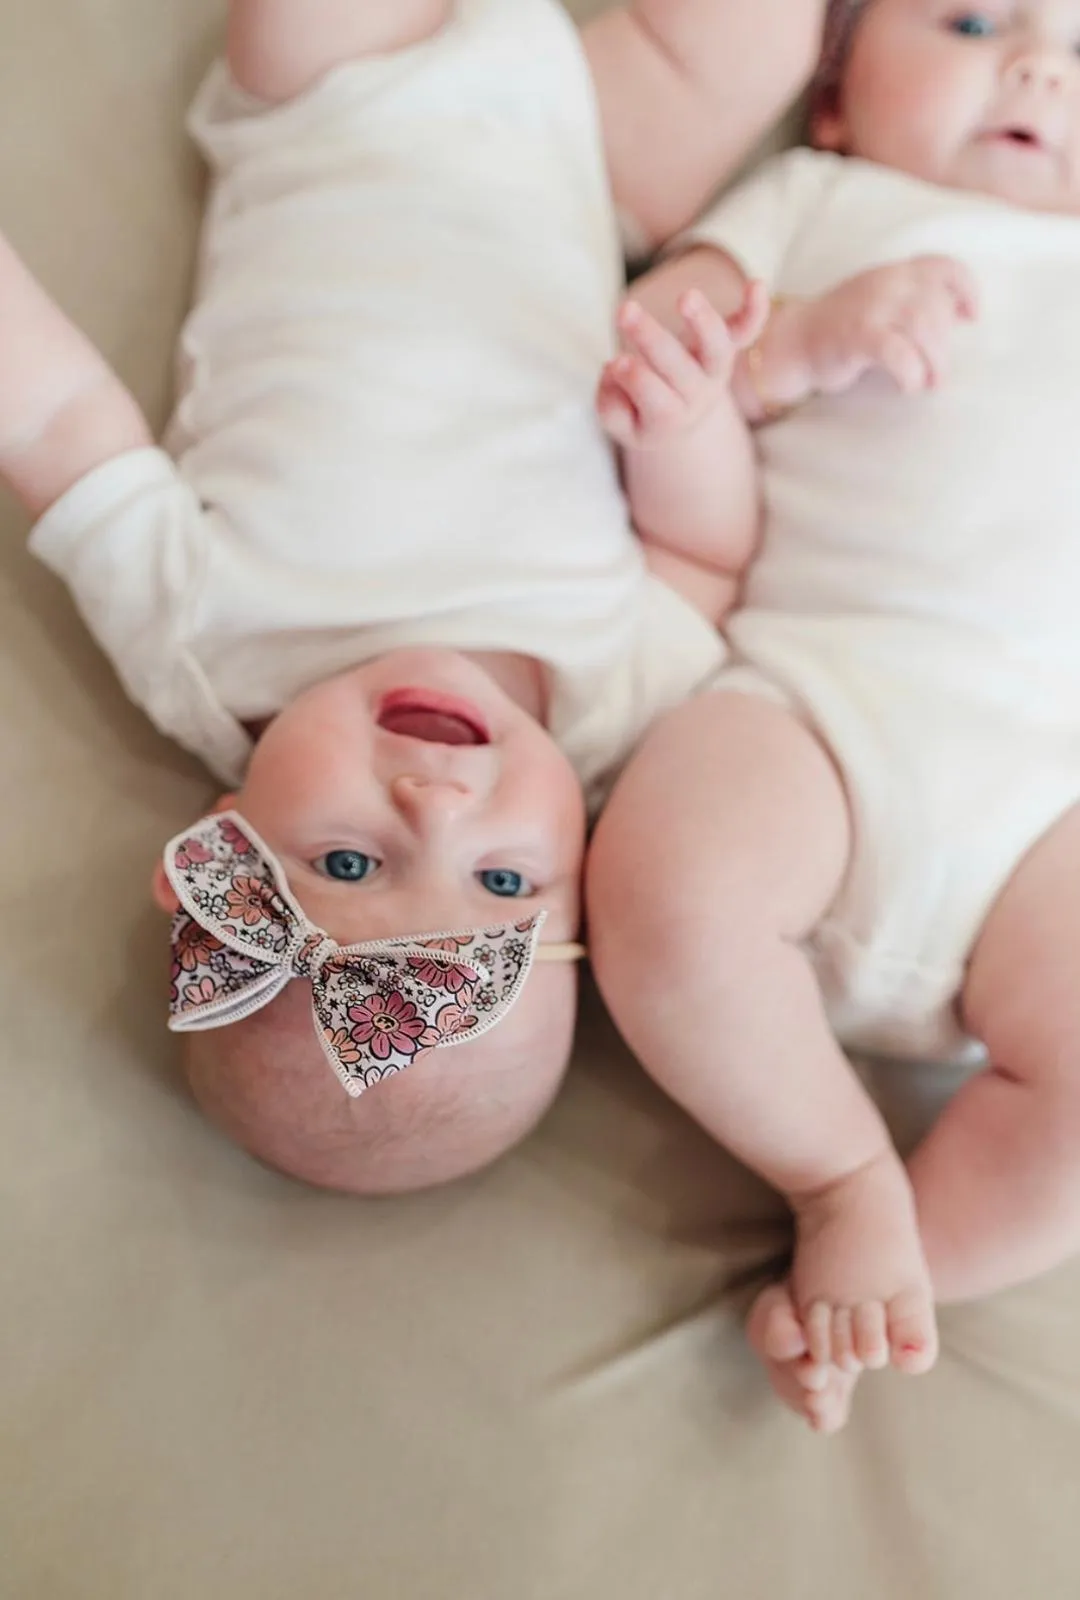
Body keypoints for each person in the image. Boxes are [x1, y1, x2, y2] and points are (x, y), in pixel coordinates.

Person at [0, 0, 825, 1193]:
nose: (435, 804)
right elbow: (707, 555)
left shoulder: (203, 648)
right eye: (502, 882)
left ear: (220, 842)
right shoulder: (617, 705)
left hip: (341, 105)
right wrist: (685, 429)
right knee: (759, 36)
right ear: (583, 872)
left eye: (344, 861)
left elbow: (58, 424)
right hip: (586, 173)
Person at [589, 0, 1080, 1432]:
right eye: (975, 18)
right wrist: (798, 343)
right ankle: (843, 1179)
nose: (1041, 65)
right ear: (832, 95)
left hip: (1045, 805)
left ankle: (881, 1280)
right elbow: (657, 361)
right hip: (818, 704)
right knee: (667, 883)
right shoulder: (817, 201)